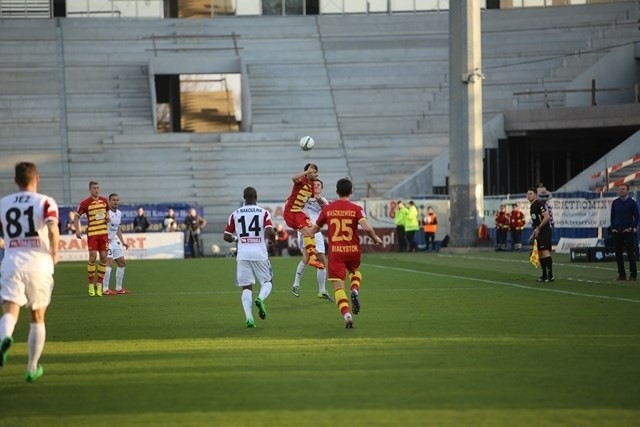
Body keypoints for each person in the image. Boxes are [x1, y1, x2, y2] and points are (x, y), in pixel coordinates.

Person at [0, 161, 59, 382]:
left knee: (9, 310)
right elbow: (53, 228)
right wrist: (55, 252)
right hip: (39, 264)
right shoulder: (45, 202)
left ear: (16, 181)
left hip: (12, 262)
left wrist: (10, 243)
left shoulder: (3, 203)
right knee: (37, 316)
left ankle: (4, 336)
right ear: (37, 179)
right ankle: (32, 367)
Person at [313, 178, 383, 328]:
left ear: (337, 192)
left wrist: (306, 231)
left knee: (338, 288)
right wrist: (375, 238)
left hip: (336, 253)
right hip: (353, 250)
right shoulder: (356, 209)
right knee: (355, 272)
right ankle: (355, 290)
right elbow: (367, 228)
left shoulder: (328, 209)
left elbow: (315, 229)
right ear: (351, 192)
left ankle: (347, 315)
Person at [223, 187, 275, 328]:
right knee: (267, 281)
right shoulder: (263, 213)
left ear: (244, 197)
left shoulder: (235, 214)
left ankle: (250, 318)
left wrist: (237, 239)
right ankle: (261, 298)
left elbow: (226, 236)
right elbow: (270, 231)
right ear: (256, 197)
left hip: (243, 254)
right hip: (259, 253)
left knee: (246, 287)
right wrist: (273, 242)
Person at [291, 179, 333, 302]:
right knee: (307, 258)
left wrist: (318, 198)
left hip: (317, 231)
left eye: (319, 185)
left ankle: (322, 291)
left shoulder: (323, 200)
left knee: (322, 260)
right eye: (314, 185)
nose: (316, 187)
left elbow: (326, 209)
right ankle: (296, 285)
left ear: (322, 188)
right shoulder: (304, 198)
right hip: (305, 229)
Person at [283, 163, 325, 269]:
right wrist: (307, 172)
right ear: (308, 173)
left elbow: (310, 199)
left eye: (316, 172)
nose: (316, 174)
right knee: (307, 232)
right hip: (291, 212)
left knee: (311, 231)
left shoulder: (311, 187)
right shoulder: (302, 180)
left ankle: (312, 258)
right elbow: (293, 178)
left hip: (298, 212)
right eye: (314, 172)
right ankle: (312, 259)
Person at [74, 181, 109, 297]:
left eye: (98, 188)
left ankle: (99, 284)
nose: (96, 190)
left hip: (104, 234)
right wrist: (78, 230)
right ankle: (90, 284)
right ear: (90, 189)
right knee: (93, 257)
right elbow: (76, 216)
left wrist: (107, 218)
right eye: (94, 188)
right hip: (93, 234)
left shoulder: (104, 201)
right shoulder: (85, 203)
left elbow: (107, 213)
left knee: (104, 258)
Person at [102, 193, 130, 295]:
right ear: (109, 201)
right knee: (109, 263)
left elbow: (117, 228)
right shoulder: (105, 213)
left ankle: (119, 288)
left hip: (114, 241)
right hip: (106, 241)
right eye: (113, 200)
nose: (116, 202)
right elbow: (99, 225)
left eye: (117, 200)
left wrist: (123, 242)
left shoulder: (119, 213)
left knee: (122, 262)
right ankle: (105, 289)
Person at [610, 183, 639, 281]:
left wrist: (632, 227)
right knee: (618, 253)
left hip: (628, 231)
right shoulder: (615, 202)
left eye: (623, 189)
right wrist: (613, 227)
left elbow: (637, 216)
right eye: (619, 189)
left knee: (630, 253)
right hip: (617, 231)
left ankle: (633, 274)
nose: (621, 190)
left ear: (627, 191)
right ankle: (621, 274)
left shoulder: (632, 202)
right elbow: (613, 216)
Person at [527, 187, 554, 283]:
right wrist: (533, 233)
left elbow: (547, 217)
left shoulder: (539, 204)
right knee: (540, 253)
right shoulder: (532, 206)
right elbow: (536, 222)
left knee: (545, 251)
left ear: (535, 195)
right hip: (539, 231)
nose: (528, 196)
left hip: (544, 231)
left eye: (530, 194)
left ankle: (550, 276)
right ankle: (544, 275)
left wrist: (538, 228)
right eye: (528, 194)